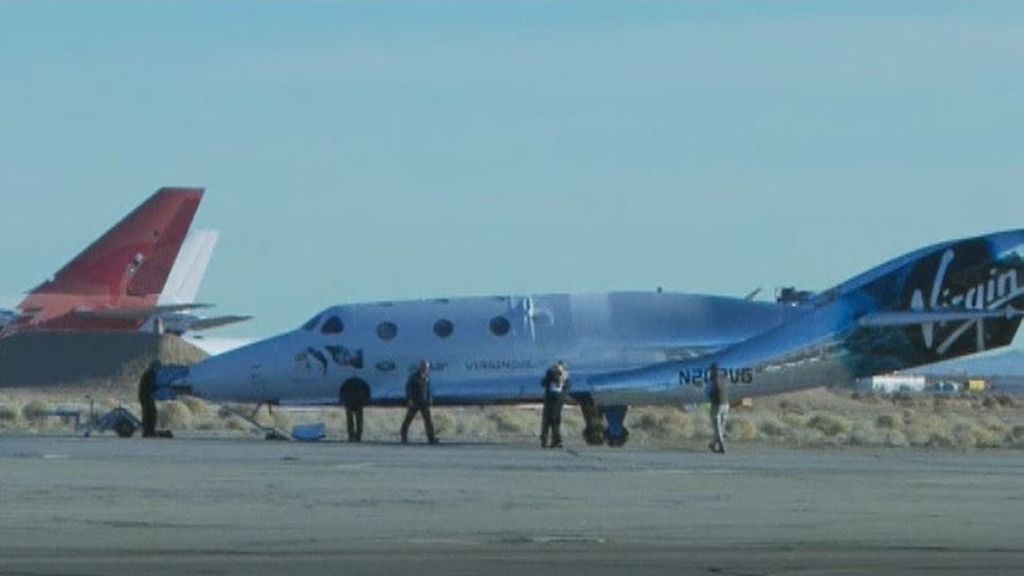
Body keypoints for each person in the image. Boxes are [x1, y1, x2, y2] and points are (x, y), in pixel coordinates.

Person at [401, 360, 438, 444]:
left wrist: (430, 398)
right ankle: (403, 437)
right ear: (420, 367)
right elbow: (408, 388)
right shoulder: (413, 377)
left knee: (428, 421)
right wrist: (409, 399)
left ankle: (431, 439)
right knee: (408, 420)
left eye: (427, 367)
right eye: (424, 367)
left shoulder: (427, 377)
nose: (426, 369)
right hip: (415, 402)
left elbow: (428, 389)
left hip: (424, 402)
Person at [540, 361, 570, 448]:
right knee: (549, 419)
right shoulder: (550, 373)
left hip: (556, 399)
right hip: (551, 398)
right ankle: (548, 439)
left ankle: (555, 439)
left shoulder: (564, 376)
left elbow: (565, 387)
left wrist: (559, 377)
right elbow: (544, 383)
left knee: (553, 418)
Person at [708, 363, 729, 454]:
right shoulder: (723, 377)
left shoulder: (712, 379)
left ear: (712, 371)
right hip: (726, 404)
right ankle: (713, 444)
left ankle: (722, 446)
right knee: (721, 427)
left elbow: (708, 392)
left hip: (717, 404)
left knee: (717, 428)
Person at [138, 360, 160, 438]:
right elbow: (151, 386)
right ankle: (149, 431)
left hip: (145, 396)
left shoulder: (147, 373)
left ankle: (148, 431)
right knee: (151, 413)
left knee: (147, 413)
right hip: (147, 397)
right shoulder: (150, 374)